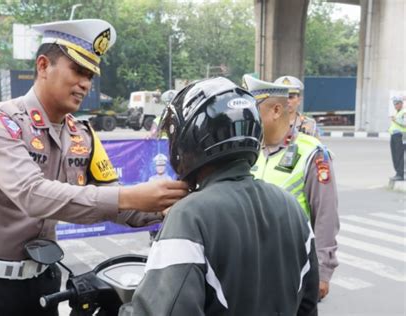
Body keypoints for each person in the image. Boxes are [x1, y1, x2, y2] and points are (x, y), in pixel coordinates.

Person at [0, 19, 188, 316]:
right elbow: (32, 195)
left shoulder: (81, 135)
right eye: (78, 70)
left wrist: (167, 207)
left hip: (43, 286)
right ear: (43, 66)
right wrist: (131, 195)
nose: (85, 83)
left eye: (90, 75)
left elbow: (115, 202)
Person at [131, 77, 319, 315]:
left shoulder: (189, 216)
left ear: (190, 138)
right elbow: (308, 305)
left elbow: (162, 310)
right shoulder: (292, 208)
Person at [243, 75, 339, 301]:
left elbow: (325, 215)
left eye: (253, 111)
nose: (248, 118)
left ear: (276, 110)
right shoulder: (248, 149)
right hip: (248, 267)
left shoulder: (311, 153)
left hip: (292, 269)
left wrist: (323, 272)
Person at [388, 96, 406, 181]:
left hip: (400, 135)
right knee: (394, 155)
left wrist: (396, 120)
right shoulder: (397, 112)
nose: (395, 105)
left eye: (397, 103)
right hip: (394, 135)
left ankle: (400, 174)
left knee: (399, 155)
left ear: (401, 104)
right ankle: (397, 173)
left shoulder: (404, 112)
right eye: (394, 104)